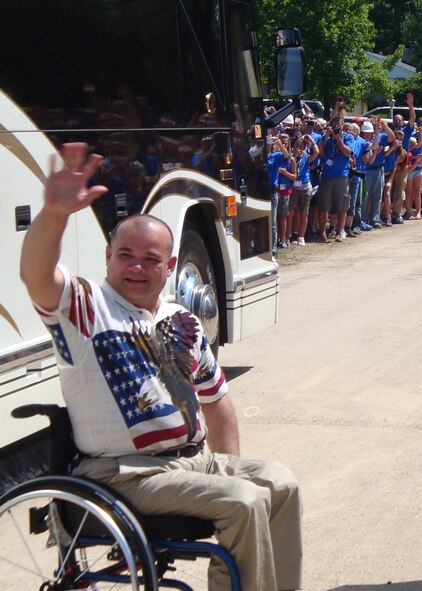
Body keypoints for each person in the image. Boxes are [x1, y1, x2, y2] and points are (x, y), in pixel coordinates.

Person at [20, 142, 303, 591]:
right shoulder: (86, 306)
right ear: (107, 256)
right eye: (125, 255)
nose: (137, 266)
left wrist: (222, 473)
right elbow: (36, 275)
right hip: (126, 473)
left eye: (151, 259)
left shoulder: (181, 319)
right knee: (245, 502)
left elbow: (217, 402)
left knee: (281, 484)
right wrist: (54, 214)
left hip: (194, 462)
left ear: (170, 266)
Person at [317, 116, 354, 242]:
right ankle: (322, 231)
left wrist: (338, 139)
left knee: (342, 204)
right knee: (324, 205)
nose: (337, 127)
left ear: (343, 124)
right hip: (327, 175)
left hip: (341, 174)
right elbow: (320, 152)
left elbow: (348, 152)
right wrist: (326, 136)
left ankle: (340, 231)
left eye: (339, 124)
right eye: (334, 125)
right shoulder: (327, 138)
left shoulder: (347, 137)